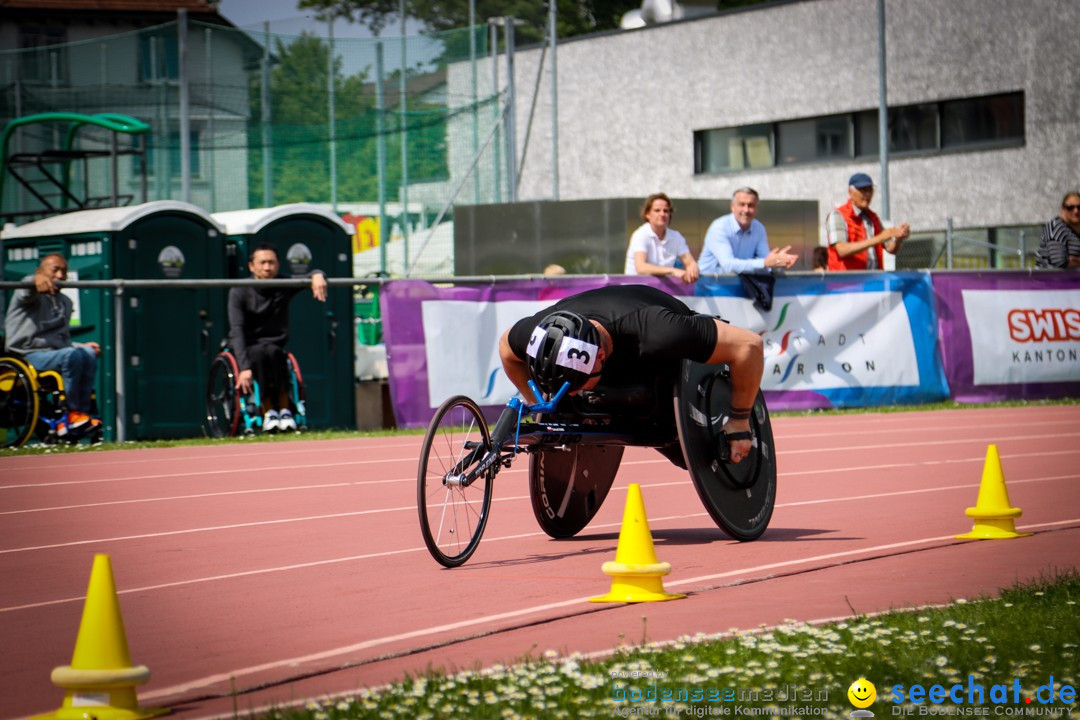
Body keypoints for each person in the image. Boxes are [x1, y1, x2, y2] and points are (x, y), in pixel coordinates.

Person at [498, 284, 763, 463]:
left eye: (577, 384)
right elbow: (506, 348)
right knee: (573, 402)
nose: (574, 392)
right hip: (613, 343)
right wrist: (534, 400)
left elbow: (749, 345)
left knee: (688, 455)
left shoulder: (661, 332)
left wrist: (740, 419)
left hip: (659, 360)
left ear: (599, 356)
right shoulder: (541, 331)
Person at [228, 243, 327, 433]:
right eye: (262, 262)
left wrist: (317, 275)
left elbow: (310, 275)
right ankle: (268, 411)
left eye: (271, 263)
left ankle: (284, 410)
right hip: (249, 346)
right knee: (259, 353)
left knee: (274, 352)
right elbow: (237, 330)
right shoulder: (239, 291)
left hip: (274, 346)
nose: (267, 267)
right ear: (251, 266)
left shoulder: (283, 283)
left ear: (278, 265)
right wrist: (244, 368)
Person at [3, 254, 101, 437]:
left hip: (54, 353)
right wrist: (34, 279)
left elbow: (61, 340)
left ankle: (83, 412)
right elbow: (26, 291)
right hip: (27, 354)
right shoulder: (30, 293)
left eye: (64, 270)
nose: (60, 275)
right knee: (71, 355)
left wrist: (82, 345)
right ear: (40, 271)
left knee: (87, 352)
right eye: (55, 270)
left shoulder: (65, 301)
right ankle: (71, 412)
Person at [698, 188, 798, 275]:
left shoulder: (759, 228)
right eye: (742, 204)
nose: (746, 210)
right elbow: (728, 265)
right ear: (732, 207)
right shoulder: (719, 227)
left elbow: (766, 262)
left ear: (757, 208)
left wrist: (778, 261)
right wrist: (765, 263)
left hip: (739, 286)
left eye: (751, 205)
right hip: (710, 289)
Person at [824, 173, 910, 271]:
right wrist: (880, 238)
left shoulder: (872, 217)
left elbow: (890, 248)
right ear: (850, 192)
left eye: (870, 190)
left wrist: (899, 237)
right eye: (863, 190)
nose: (868, 194)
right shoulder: (837, 215)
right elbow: (842, 250)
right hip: (847, 284)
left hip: (872, 281)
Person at [623, 193, 700, 284]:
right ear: (647, 214)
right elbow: (641, 268)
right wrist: (672, 271)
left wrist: (692, 268)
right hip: (636, 292)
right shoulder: (640, 234)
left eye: (666, 211)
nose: (662, 214)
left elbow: (690, 262)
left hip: (660, 291)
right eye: (657, 210)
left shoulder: (676, 237)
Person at [1034, 191, 1080, 269]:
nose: (1076, 211)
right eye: (1070, 207)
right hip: (1050, 279)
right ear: (1063, 209)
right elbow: (1059, 262)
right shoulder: (1056, 227)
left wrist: (1076, 261)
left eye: (1079, 207)